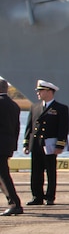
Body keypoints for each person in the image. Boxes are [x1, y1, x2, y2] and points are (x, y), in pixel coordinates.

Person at [22, 79, 69, 207]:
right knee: (36, 172)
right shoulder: (34, 107)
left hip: (50, 145)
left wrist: (60, 145)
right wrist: (26, 144)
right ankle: (37, 196)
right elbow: (29, 127)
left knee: (50, 171)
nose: (38, 93)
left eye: (40, 91)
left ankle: (49, 197)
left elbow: (63, 128)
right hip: (36, 144)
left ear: (49, 92)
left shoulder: (61, 108)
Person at [1, 78, 23, 215]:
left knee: (3, 175)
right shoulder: (14, 105)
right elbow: (17, 128)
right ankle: (14, 202)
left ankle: (15, 203)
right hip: (7, 145)